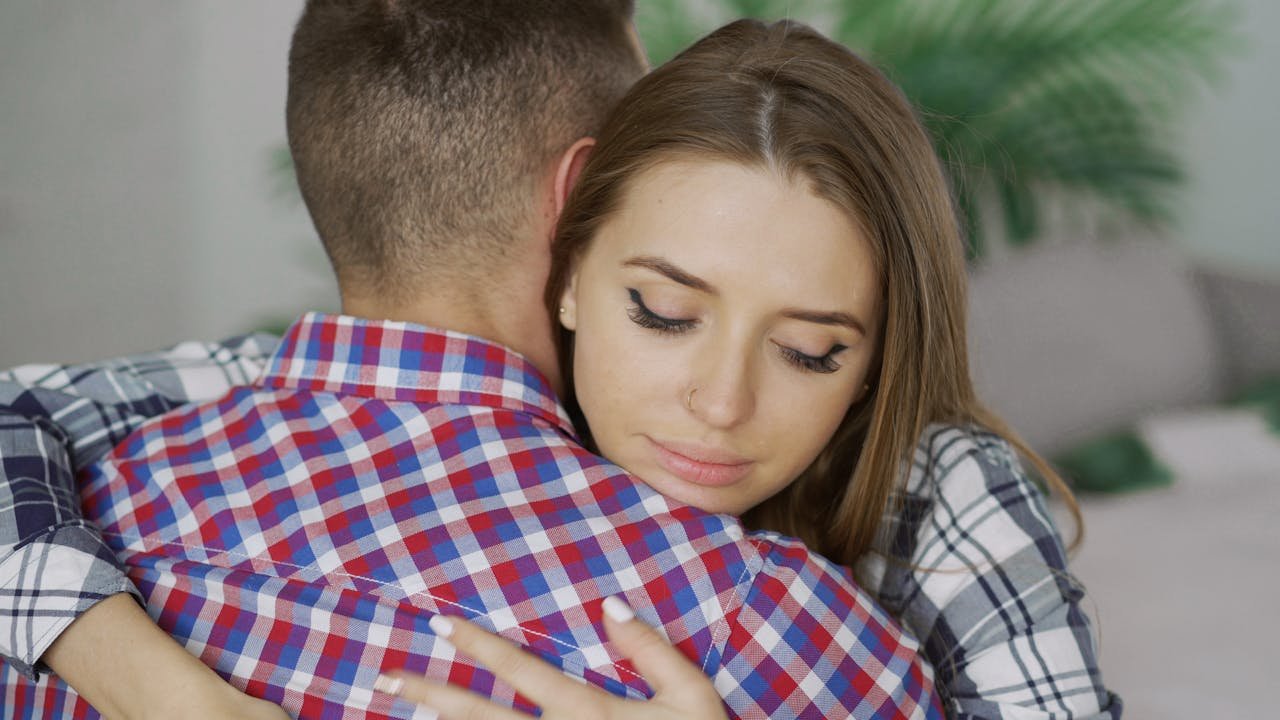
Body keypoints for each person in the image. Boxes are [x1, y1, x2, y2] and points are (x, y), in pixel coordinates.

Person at [0, 10, 1120, 720]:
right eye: (664, 312)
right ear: (576, 228)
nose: (720, 405)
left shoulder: (104, 483)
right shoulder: (775, 629)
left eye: (808, 351)